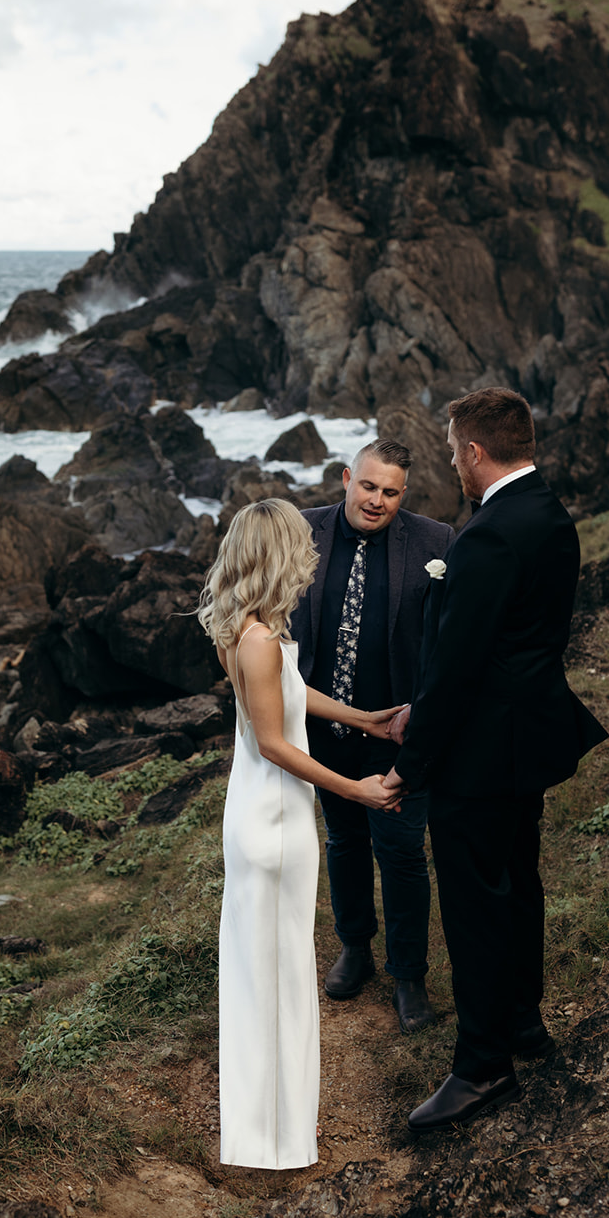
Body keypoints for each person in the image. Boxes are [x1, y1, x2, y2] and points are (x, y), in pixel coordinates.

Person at [383, 388, 607, 1132]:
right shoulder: (546, 512)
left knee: (477, 905)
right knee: (517, 884)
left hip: (479, 758)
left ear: (476, 453)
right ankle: (521, 1022)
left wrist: (410, 765)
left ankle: (481, 1068)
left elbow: (457, 666)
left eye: (452, 450)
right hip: (526, 741)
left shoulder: (487, 537)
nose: (451, 460)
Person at [198, 498, 401, 1170]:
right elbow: (274, 742)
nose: (310, 557)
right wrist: (355, 790)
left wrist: (364, 719)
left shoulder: (253, 630)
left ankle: (271, 1133)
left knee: (267, 976)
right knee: (277, 978)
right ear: (278, 555)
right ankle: (273, 1143)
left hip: (262, 815)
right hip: (274, 822)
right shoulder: (257, 642)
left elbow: (292, 690)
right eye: (299, 547)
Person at [289, 440, 454, 1033]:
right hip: (325, 731)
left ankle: (408, 974)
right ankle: (354, 946)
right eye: (368, 486)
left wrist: (425, 722)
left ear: (403, 494)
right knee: (344, 841)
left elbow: (447, 641)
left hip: (399, 738)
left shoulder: (437, 544)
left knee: (404, 854)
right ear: (345, 478)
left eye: (390, 492)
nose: (377, 501)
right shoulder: (300, 532)